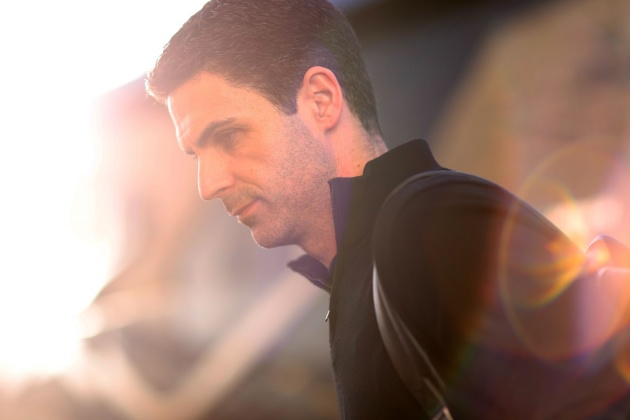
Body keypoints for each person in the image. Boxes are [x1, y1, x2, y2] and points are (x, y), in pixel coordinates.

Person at [145, 0, 630, 418]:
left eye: (228, 137)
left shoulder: (432, 226)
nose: (208, 184)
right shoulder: (377, 260)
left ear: (321, 101)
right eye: (196, 155)